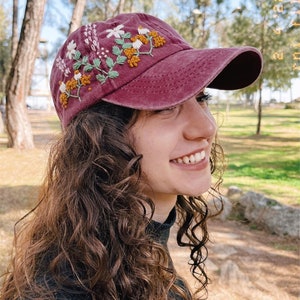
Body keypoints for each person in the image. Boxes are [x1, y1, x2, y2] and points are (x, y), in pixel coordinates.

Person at [0, 13, 262, 300]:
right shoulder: (70, 289)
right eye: (165, 107)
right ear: (98, 138)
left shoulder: (128, 256)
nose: (207, 127)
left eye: (202, 98)